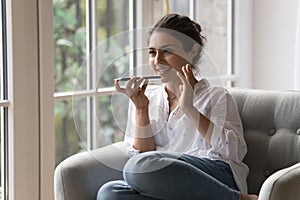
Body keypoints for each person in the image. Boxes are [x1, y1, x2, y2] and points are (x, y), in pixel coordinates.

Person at [97, 13, 258, 200]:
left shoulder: (217, 96)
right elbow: (144, 156)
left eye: (166, 51)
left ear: (193, 51)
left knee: (136, 168)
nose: (157, 60)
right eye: (152, 52)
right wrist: (142, 109)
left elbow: (234, 152)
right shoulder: (146, 97)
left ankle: (237, 198)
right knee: (109, 193)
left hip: (215, 175)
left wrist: (189, 108)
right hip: (168, 181)